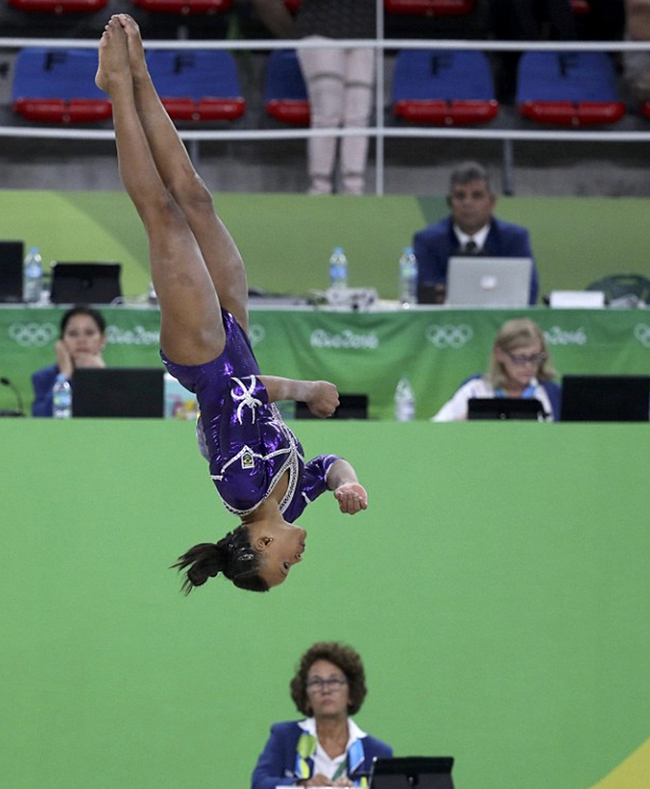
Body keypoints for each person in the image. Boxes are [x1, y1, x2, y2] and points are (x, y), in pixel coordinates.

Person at [95, 14, 368, 593]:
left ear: (260, 544)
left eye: (285, 564)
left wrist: (304, 390)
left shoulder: (240, 487)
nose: (298, 556)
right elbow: (325, 465)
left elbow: (234, 392)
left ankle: (117, 88)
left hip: (203, 357)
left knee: (163, 217)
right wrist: (349, 482)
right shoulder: (289, 503)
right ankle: (141, 77)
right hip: (235, 343)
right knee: (196, 198)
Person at [252, 0, 376, 195]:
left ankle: (355, 190)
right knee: (326, 115)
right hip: (320, 31)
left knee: (358, 117)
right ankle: (320, 188)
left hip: (364, 33)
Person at [251, 641, 392, 789]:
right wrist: (302, 785)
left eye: (335, 681)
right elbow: (259, 784)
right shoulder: (285, 737)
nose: (326, 689)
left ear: (351, 693)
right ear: (306, 698)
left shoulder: (376, 751)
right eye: (316, 682)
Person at [413, 161, 539, 306]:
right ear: (450, 202)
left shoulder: (515, 238)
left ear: (491, 202)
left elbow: (529, 291)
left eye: (477, 196)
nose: (468, 203)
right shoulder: (428, 240)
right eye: (460, 196)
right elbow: (424, 293)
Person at [432, 318, 561, 421]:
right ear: (500, 354)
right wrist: (461, 425)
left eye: (535, 357)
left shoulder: (551, 393)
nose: (528, 365)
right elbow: (436, 429)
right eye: (520, 358)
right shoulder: (475, 389)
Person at [31, 305, 107, 417]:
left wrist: (102, 376)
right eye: (73, 334)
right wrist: (65, 375)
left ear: (102, 340)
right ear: (62, 341)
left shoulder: (116, 380)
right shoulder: (44, 377)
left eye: (89, 333)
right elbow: (43, 418)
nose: (81, 340)